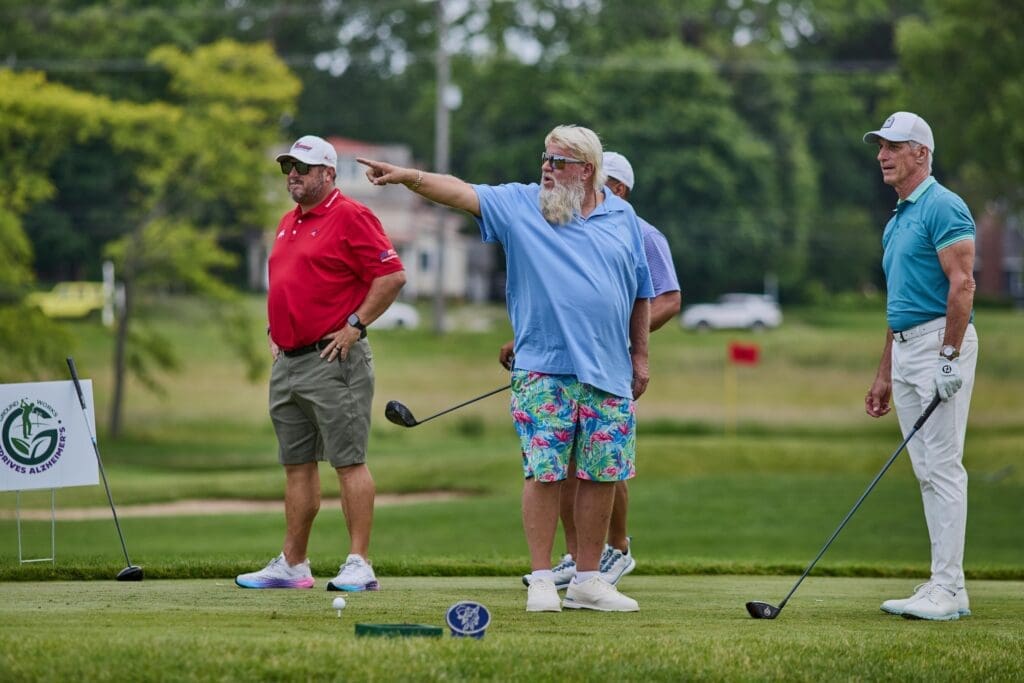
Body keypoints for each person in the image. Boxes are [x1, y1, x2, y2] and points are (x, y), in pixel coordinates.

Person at [358, 125, 653, 613]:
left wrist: (640, 357)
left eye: (558, 161)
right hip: (544, 368)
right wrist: (408, 176)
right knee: (545, 472)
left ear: (587, 170)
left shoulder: (623, 217)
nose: (546, 167)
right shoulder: (522, 204)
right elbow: (460, 191)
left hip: (609, 371)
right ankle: (541, 579)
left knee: (602, 475)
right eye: (545, 157)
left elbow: (640, 291)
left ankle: (587, 580)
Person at [499, 151, 681, 590]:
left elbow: (667, 298)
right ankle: (577, 555)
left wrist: (618, 341)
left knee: (603, 463)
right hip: (561, 366)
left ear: (620, 189)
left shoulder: (642, 233)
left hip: (608, 367)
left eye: (611, 183)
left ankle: (614, 549)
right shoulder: (564, 224)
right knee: (563, 464)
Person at [236, 135, 406, 592]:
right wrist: (276, 330)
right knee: (297, 464)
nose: (293, 173)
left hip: (335, 359)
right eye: (288, 166)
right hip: (288, 362)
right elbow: (292, 282)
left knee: (348, 462)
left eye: (303, 167)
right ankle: (294, 564)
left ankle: (359, 562)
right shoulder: (287, 221)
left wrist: (356, 324)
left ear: (328, 174)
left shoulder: (351, 215)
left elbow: (391, 276)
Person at [862, 112, 978, 621]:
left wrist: (949, 357)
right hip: (907, 346)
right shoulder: (898, 219)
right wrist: (884, 371)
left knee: (945, 467)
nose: (883, 155)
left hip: (939, 343)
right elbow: (898, 302)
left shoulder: (943, 206)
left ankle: (948, 589)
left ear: (921, 154)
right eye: (881, 146)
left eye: (894, 146)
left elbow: (963, 285)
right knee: (926, 471)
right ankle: (942, 582)